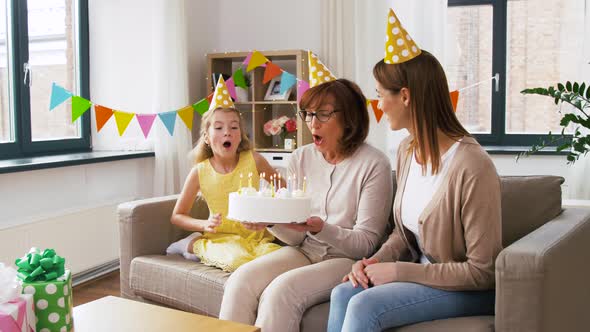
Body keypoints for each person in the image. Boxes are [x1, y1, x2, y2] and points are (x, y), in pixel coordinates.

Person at [327, 10, 502, 331]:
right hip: (423, 278)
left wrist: (399, 272)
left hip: (469, 289)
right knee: (342, 294)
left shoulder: (472, 165)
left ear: (404, 96)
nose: (377, 104)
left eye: (380, 95)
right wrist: (376, 261)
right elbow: (402, 235)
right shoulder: (407, 151)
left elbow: (482, 272)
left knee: (365, 305)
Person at [218, 78, 394, 332]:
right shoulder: (301, 157)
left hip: (345, 259)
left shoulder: (374, 164)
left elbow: (365, 244)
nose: (313, 123)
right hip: (304, 250)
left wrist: (321, 228)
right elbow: (295, 239)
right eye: (309, 114)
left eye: (323, 114)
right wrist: (270, 221)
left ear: (350, 118)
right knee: (240, 280)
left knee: (280, 292)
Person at [168, 105, 281, 272]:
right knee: (238, 261)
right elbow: (177, 216)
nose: (227, 132)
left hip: (258, 239)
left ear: (240, 136)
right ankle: (192, 244)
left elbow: (284, 190)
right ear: (207, 137)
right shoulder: (199, 172)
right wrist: (204, 225)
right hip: (221, 240)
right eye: (219, 127)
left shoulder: (255, 160)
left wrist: (267, 212)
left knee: (279, 261)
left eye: (234, 127)